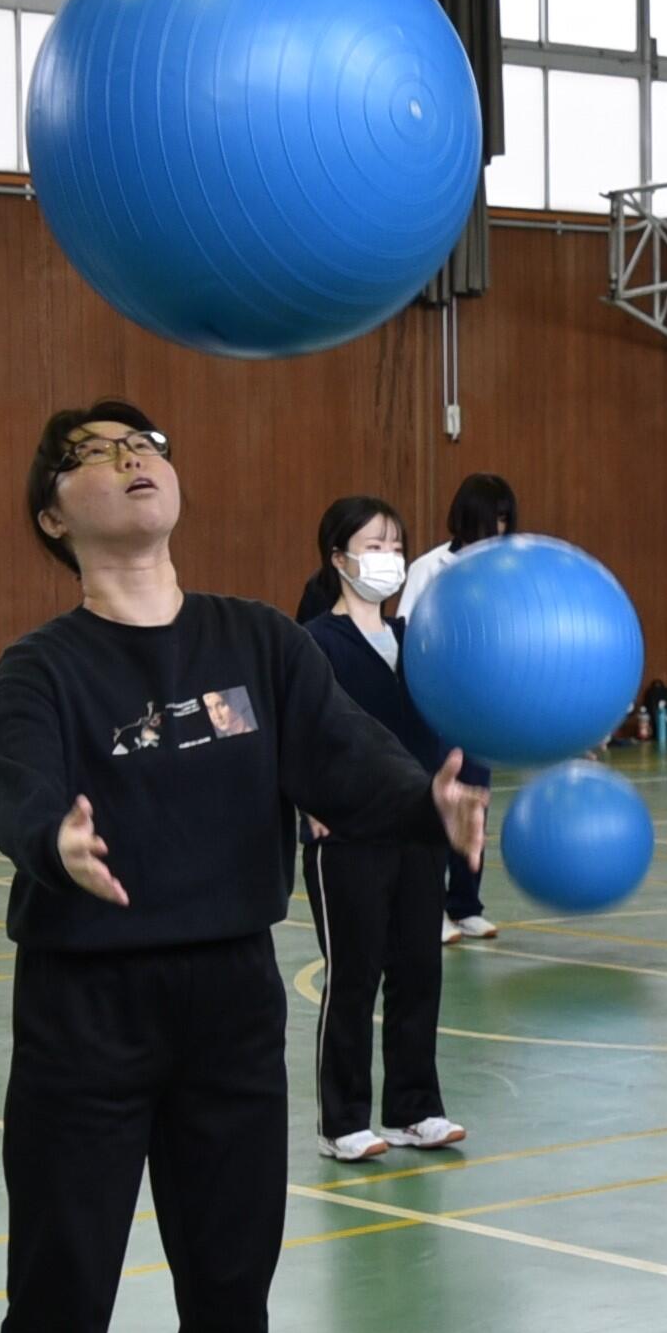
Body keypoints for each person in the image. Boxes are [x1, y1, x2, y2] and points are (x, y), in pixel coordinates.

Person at [0, 405, 486, 1333]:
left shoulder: (256, 641)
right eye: (94, 449)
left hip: (228, 996)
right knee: (62, 1300)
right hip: (85, 1008)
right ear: (53, 511)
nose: (132, 454)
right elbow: (23, 788)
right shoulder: (43, 665)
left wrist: (430, 800)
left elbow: (350, 766)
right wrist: (58, 843)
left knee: (230, 1288)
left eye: (145, 435)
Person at [296, 495, 465, 1157]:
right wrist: (305, 803)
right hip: (349, 833)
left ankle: (415, 1108)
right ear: (338, 556)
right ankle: (341, 1122)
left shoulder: (415, 642)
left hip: (420, 827)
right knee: (355, 973)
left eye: (396, 546)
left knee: (418, 968)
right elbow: (292, 735)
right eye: (374, 545)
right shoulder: (312, 643)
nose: (388, 558)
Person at [399, 473, 515, 942]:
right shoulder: (430, 567)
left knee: (476, 808)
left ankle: (466, 903)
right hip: (436, 708)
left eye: (508, 519)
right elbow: (406, 632)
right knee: (437, 807)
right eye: (495, 518)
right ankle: (431, 908)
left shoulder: (509, 571)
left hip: (481, 712)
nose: (501, 529)